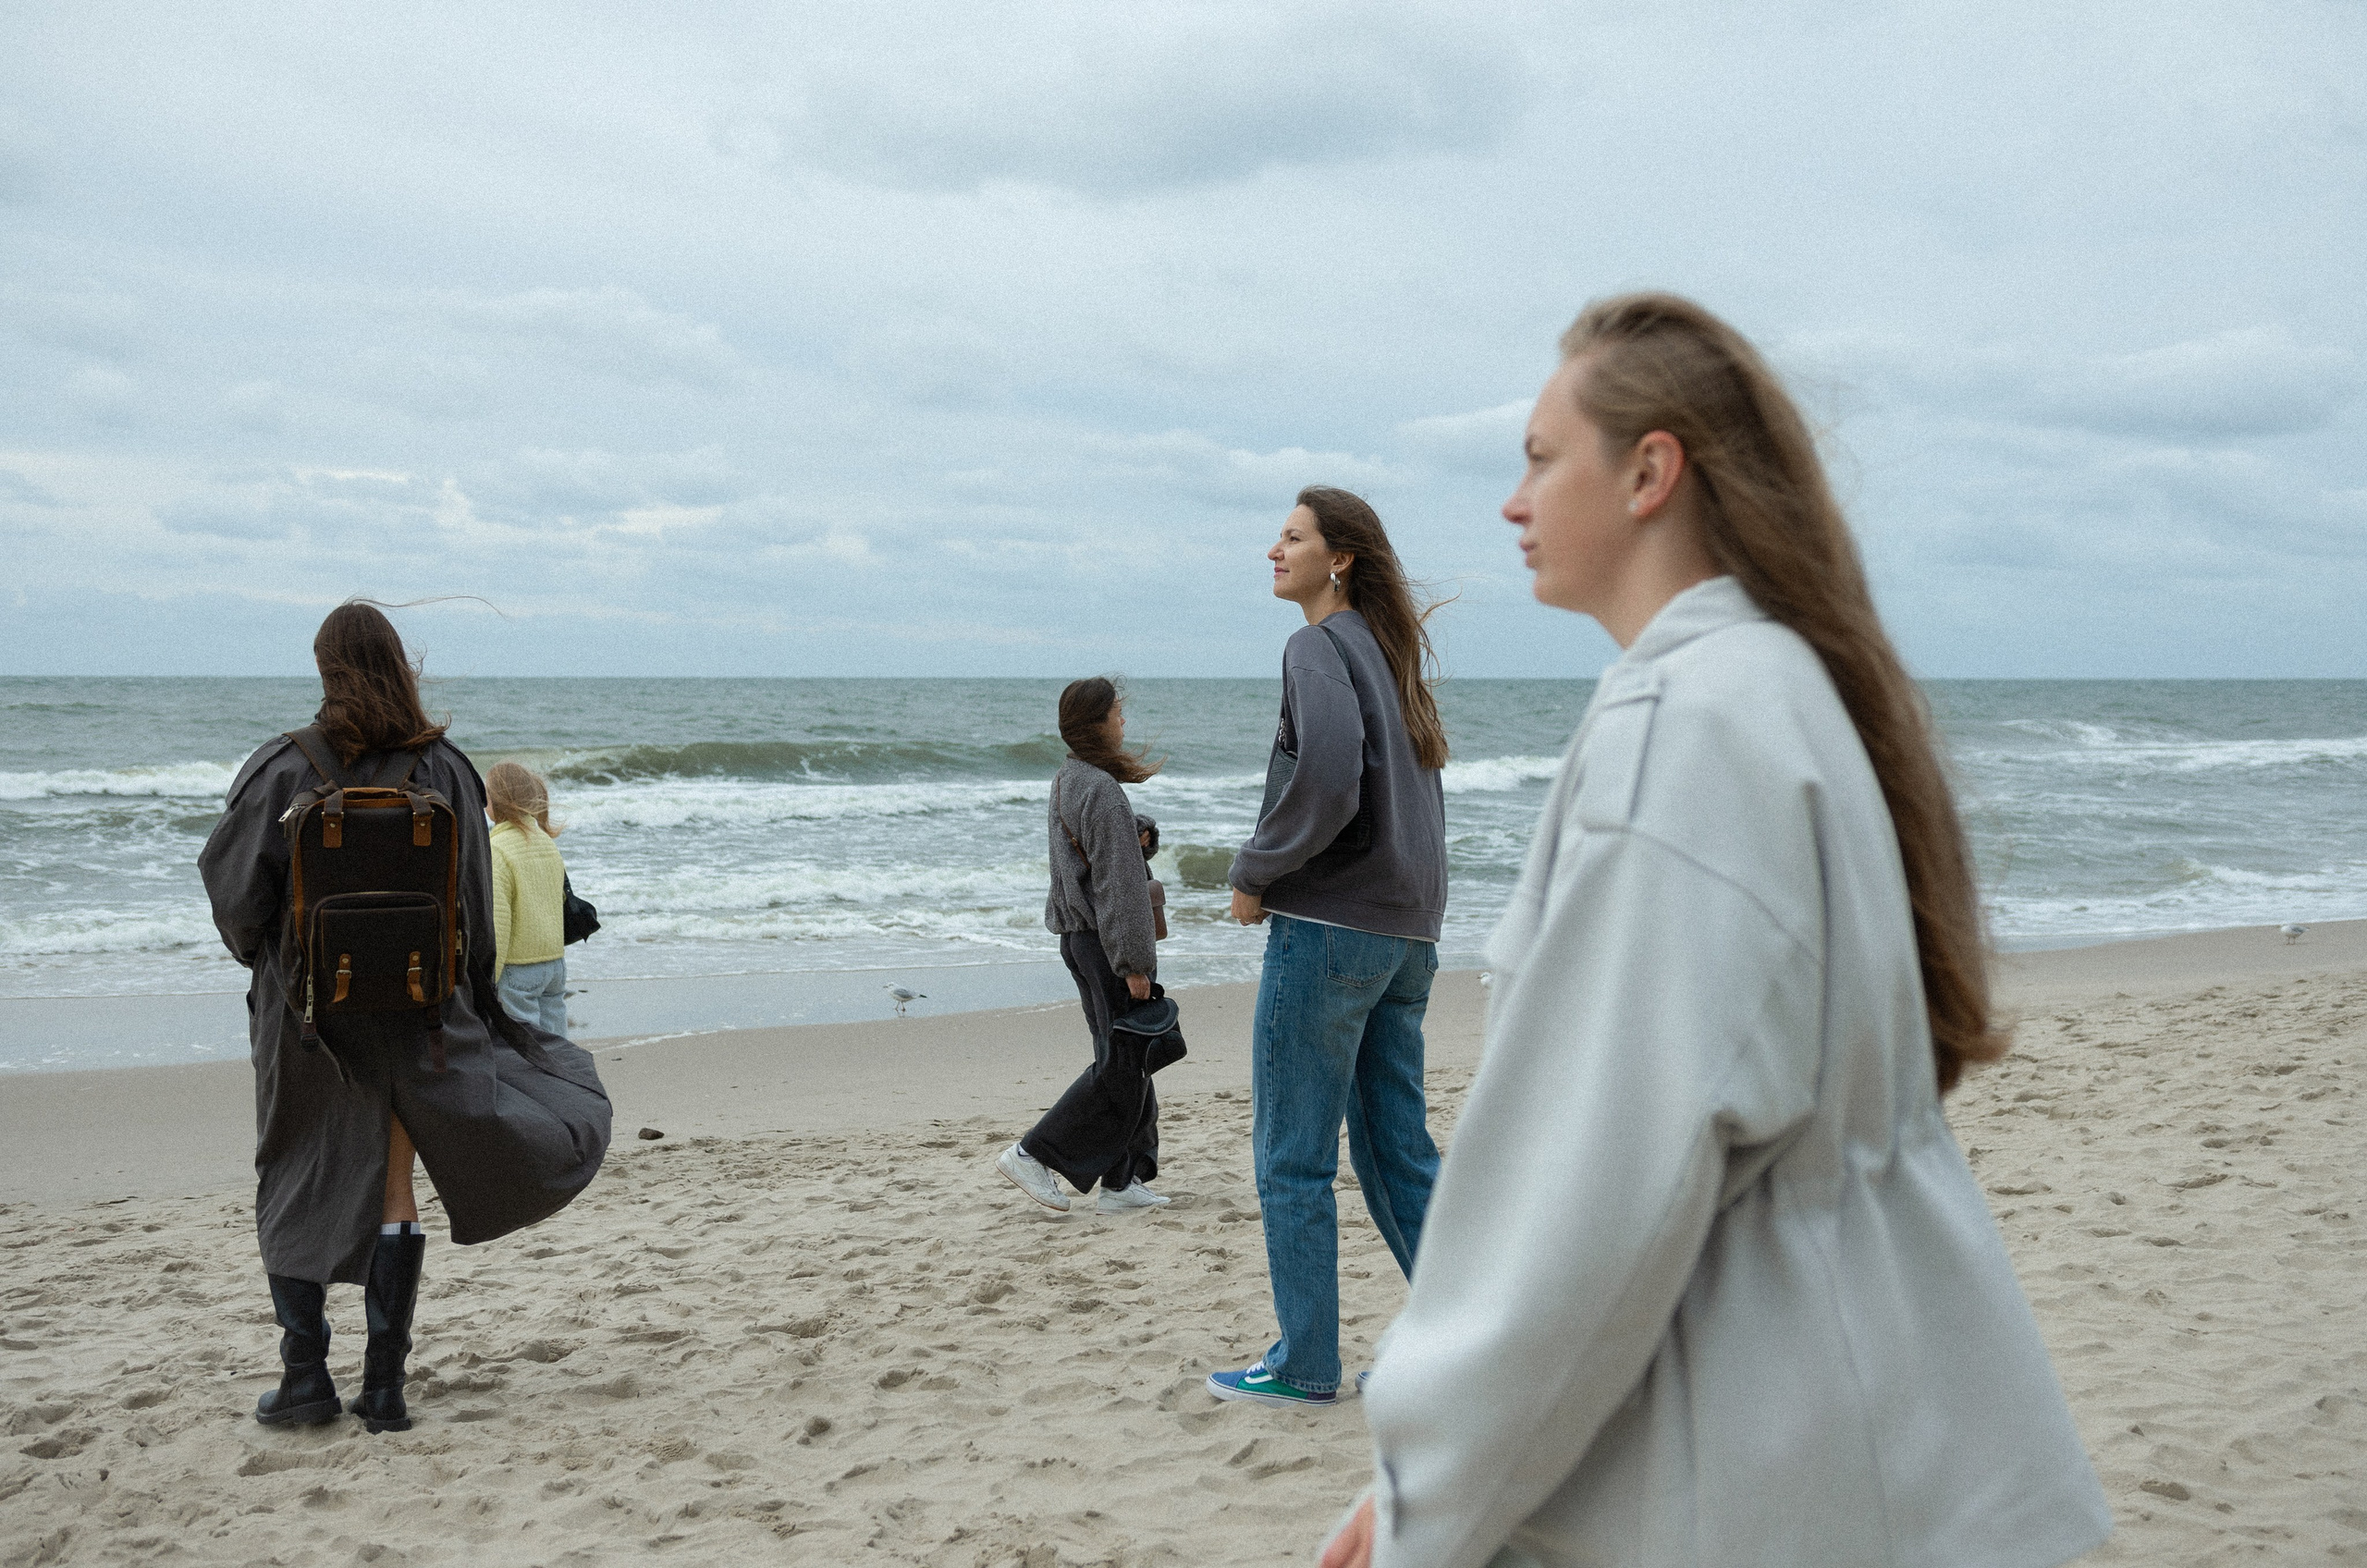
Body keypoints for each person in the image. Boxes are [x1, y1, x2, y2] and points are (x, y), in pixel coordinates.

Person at [1319, 295, 2111, 1568]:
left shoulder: (1681, 731)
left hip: (1757, 1474)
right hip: (1879, 1435)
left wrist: (1429, 1506)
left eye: (1538, 456)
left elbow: (1590, 1212)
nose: (1512, 503)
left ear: (1650, 470)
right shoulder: (1785, 690)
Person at [198, 601, 611, 1437]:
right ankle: (383, 1388)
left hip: (310, 1019)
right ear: (401, 665)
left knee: (294, 1173)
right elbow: (473, 913)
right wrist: (468, 1001)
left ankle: (305, 1379)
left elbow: (239, 902)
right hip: (422, 1013)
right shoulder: (448, 770)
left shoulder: (283, 768)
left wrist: (279, 971)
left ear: (325, 672)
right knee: (395, 1188)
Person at [1208, 486, 1449, 1410]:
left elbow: (1327, 775)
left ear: (1339, 558)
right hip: (1405, 937)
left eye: (1293, 536)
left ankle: (1305, 1362)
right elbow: (1417, 804)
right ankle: (1469, 1344)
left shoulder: (1316, 645)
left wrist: (1256, 868)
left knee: (1292, 1153)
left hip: (1331, 933)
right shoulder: (1388, 659)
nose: (1274, 548)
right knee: (1397, 1150)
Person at [996, 677, 1174, 1215]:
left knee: (1130, 1057)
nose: (1124, 721)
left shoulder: (1069, 778)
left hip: (1079, 939)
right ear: (1097, 723)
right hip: (1104, 944)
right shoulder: (1099, 787)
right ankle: (1033, 1152)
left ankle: (1122, 1181)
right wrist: (1135, 964)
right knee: (1120, 1065)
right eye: (1118, 713)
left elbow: (1085, 855)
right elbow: (1119, 889)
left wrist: (1133, 829)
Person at [485, 760, 569, 1037]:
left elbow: (498, 920)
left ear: (497, 802)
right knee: (557, 1047)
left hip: (518, 968)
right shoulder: (546, 842)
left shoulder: (497, 848)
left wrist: (490, 980)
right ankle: (566, 1083)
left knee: (526, 1053)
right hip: (555, 963)